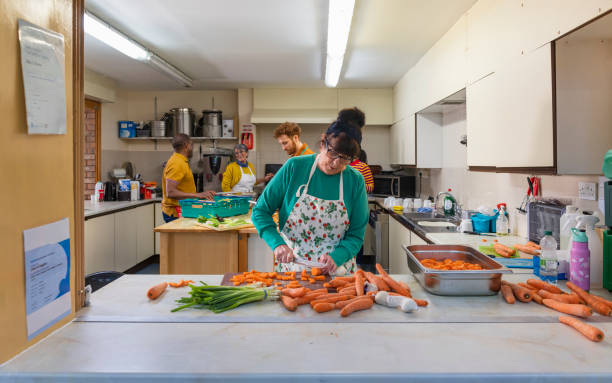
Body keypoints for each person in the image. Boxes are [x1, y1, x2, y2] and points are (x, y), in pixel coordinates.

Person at [252, 120, 368, 275]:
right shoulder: (294, 167)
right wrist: (277, 244)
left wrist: (337, 257)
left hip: (338, 272)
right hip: (293, 269)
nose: (335, 163)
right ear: (322, 144)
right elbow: (260, 211)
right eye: (332, 153)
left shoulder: (355, 180)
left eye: (345, 158)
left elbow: (356, 234)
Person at [161, 134, 215, 223]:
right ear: (186, 145)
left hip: (182, 210)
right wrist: (198, 195)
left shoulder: (180, 160)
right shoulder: (177, 163)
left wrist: (201, 196)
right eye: (191, 145)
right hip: (175, 214)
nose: (192, 148)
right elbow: (170, 192)